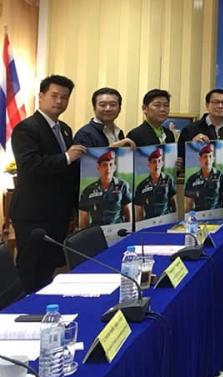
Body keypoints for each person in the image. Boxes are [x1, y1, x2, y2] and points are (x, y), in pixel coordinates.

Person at [10, 74, 85, 291]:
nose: (59, 101)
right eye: (54, 95)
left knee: (50, 268)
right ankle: (25, 308)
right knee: (31, 270)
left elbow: (69, 170)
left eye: (65, 97)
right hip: (33, 215)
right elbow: (30, 166)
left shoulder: (65, 129)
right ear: (41, 96)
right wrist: (67, 157)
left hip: (58, 214)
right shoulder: (26, 128)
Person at [177, 88, 223, 160]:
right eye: (216, 102)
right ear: (207, 105)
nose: (220, 106)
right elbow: (180, 158)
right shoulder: (190, 130)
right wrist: (192, 145)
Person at [78, 150, 133, 227]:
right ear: (98, 167)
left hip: (117, 230)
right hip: (97, 231)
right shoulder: (88, 190)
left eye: (111, 165)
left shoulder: (122, 186)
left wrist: (128, 231)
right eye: (104, 165)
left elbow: (128, 214)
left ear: (114, 167)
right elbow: (83, 219)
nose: (108, 168)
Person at [133, 147, 177, 220]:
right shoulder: (141, 186)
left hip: (166, 220)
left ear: (162, 163)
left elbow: (174, 204)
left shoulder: (168, 180)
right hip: (149, 222)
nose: (157, 164)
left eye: (159, 161)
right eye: (154, 162)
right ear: (149, 165)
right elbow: (139, 212)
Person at [184, 143, 223, 212]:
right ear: (200, 159)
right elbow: (188, 204)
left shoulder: (220, 175)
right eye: (205, 157)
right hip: (199, 215)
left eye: (210, 156)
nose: (208, 159)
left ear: (213, 159)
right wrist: (189, 217)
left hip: (217, 214)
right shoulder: (192, 179)